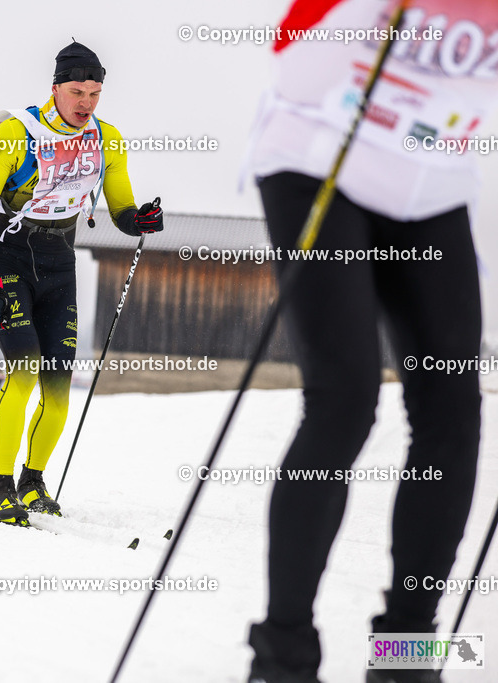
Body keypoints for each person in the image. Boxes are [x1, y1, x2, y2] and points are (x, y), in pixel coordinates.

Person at [242, 2, 495, 681]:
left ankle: (406, 656)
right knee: (345, 398)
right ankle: (283, 657)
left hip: (430, 183)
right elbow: (292, 50)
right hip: (322, 157)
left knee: (452, 412)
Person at [0, 40, 163, 527]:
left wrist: (140, 220)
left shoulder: (107, 139)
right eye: (77, 92)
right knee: (24, 371)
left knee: (57, 386)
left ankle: (32, 483)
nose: (86, 103)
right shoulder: (16, 133)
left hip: (59, 263)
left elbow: (121, 210)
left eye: (95, 94)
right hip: (10, 256)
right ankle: (0, 488)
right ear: (55, 88)